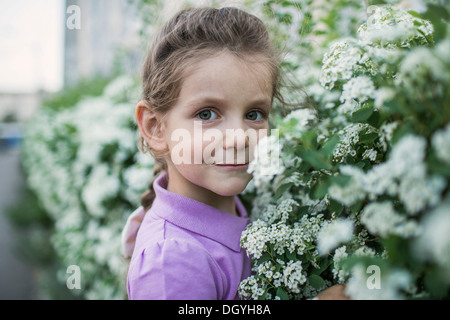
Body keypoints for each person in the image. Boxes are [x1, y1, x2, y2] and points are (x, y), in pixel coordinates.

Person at [122, 6, 348, 300]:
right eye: (207, 113)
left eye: (254, 114)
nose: (239, 137)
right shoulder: (172, 260)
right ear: (156, 127)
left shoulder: (229, 207)